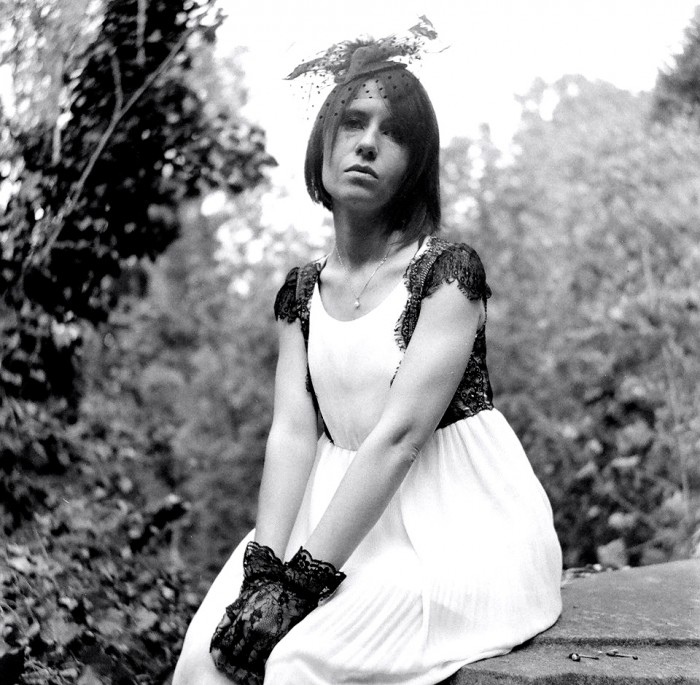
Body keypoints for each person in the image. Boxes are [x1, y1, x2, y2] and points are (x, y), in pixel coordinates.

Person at [173, 19, 562, 685]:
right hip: (332, 513)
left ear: (415, 164)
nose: (368, 143)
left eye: (394, 133)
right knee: (205, 658)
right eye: (353, 122)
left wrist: (302, 585)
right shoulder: (301, 291)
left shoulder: (446, 274)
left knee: (294, 663)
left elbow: (400, 438)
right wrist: (265, 569)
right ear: (323, 141)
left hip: (457, 526)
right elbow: (292, 432)